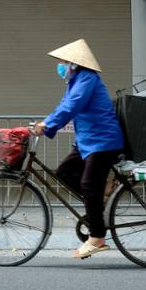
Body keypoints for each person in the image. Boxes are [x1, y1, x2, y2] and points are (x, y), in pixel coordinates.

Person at [33, 39, 124, 259]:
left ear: (75, 63)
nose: (60, 65)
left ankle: (97, 237)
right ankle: (98, 199)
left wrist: (48, 125)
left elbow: (73, 105)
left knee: (87, 184)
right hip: (87, 141)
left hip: (103, 141)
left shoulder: (87, 78)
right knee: (64, 172)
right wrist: (47, 122)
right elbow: (64, 107)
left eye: (64, 61)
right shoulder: (75, 81)